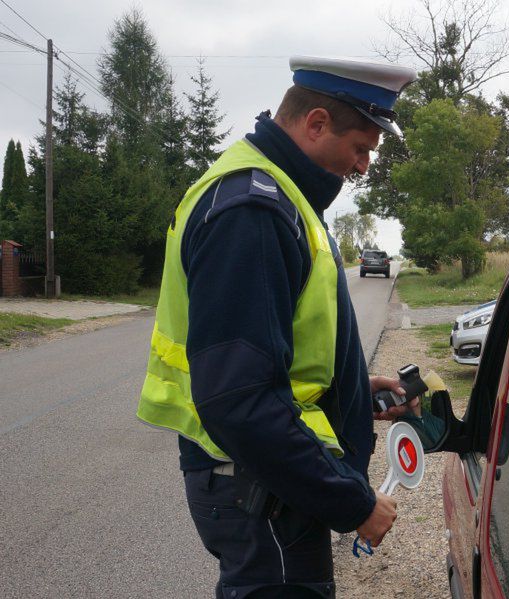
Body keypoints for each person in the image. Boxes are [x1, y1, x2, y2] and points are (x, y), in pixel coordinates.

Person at [137, 56, 417, 598]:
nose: (361, 167)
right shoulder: (254, 209)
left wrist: (354, 390)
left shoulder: (276, 196)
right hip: (258, 486)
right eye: (360, 148)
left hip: (261, 480)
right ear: (315, 123)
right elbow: (239, 398)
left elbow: (275, 352)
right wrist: (352, 503)